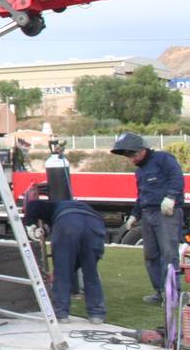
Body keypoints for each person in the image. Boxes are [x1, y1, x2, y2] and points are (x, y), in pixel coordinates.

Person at [112, 131, 185, 304]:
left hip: (166, 213)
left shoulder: (164, 159)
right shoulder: (140, 171)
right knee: (150, 255)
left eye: (133, 155)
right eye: (129, 156)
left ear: (143, 150)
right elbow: (141, 195)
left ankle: (172, 295)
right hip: (148, 214)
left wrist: (171, 197)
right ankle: (159, 292)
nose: (132, 159)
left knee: (168, 254)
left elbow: (177, 178)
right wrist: (134, 215)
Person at [23, 198, 106, 324]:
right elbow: (78, 261)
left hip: (67, 222)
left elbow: (32, 204)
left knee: (62, 273)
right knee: (91, 272)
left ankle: (61, 314)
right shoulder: (80, 206)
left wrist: (30, 225)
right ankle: (97, 315)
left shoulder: (53, 206)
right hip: (95, 224)